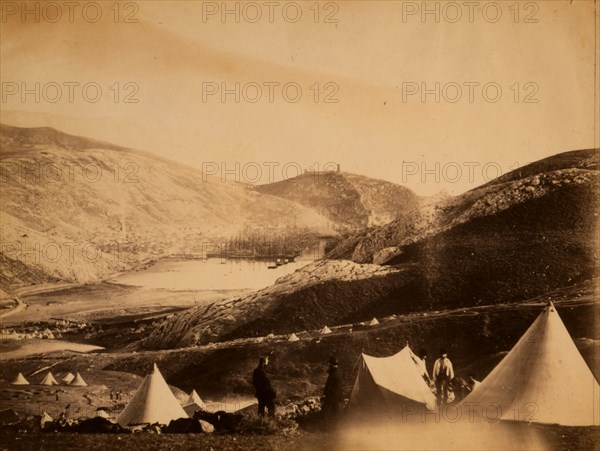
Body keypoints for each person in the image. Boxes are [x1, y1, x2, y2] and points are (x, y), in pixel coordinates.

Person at [321, 357, 343, 422]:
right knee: (336, 411)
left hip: (332, 395)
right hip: (338, 395)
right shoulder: (339, 372)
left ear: (331, 364)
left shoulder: (333, 374)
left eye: (330, 364)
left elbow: (328, 385)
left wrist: (324, 394)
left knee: (327, 411)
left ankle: (325, 425)